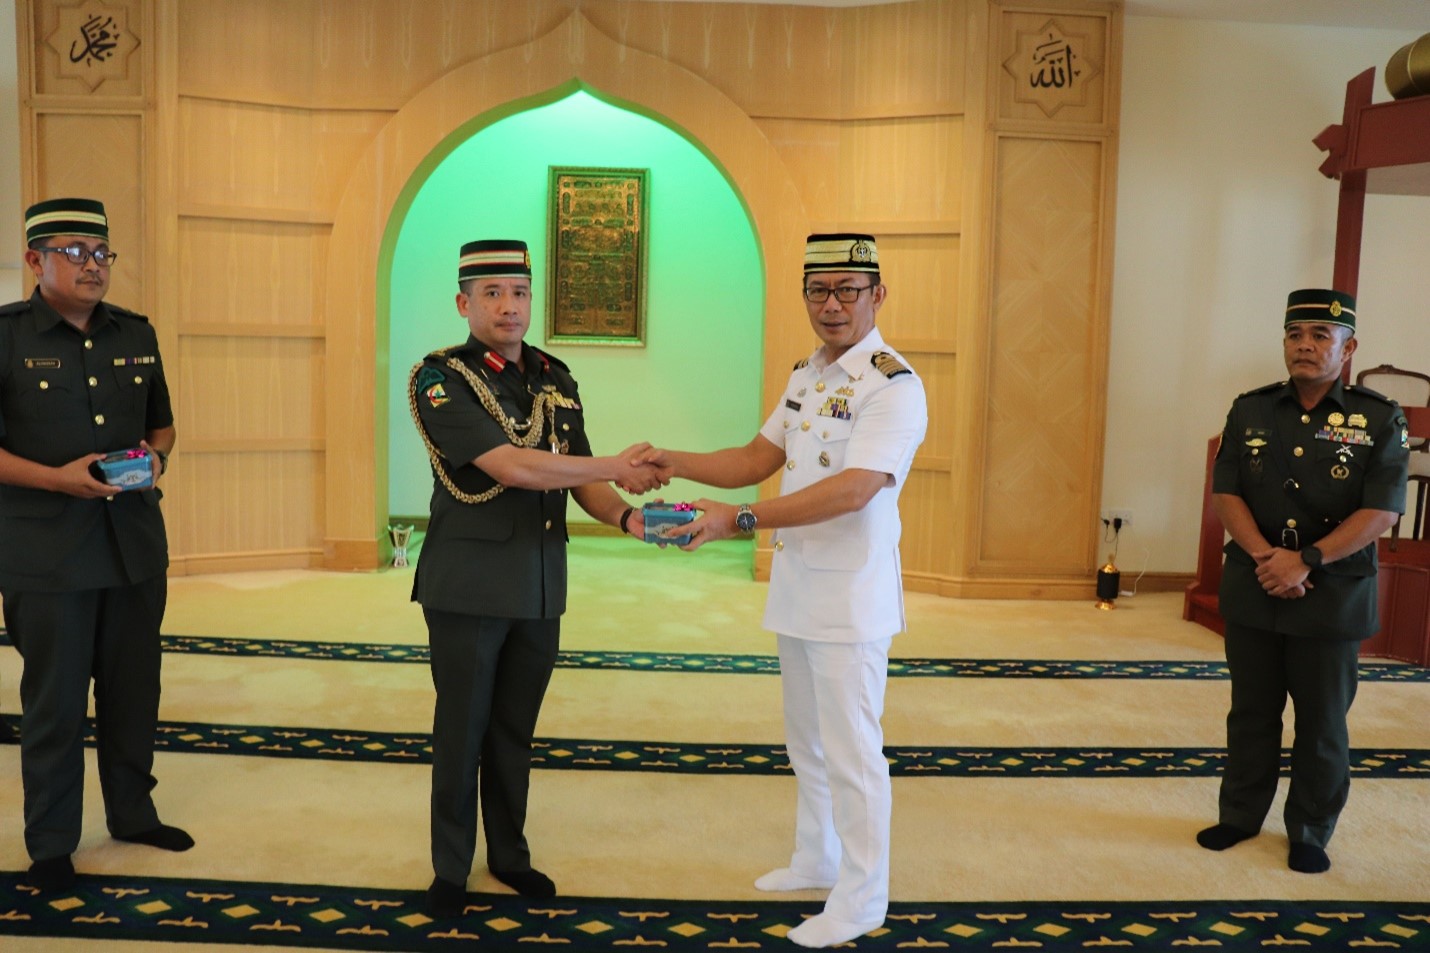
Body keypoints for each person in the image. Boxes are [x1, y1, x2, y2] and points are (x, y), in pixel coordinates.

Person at [639, 233, 927, 948]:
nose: (831, 305)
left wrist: (739, 520)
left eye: (847, 291)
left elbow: (855, 489)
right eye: (817, 290)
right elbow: (755, 457)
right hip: (801, 586)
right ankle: (816, 856)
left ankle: (862, 898)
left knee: (853, 751)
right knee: (807, 741)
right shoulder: (808, 374)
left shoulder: (893, 385)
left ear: (877, 295)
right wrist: (673, 460)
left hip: (851, 598)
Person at [408, 239, 667, 917]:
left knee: (514, 731)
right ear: (464, 303)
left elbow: (579, 474)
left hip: (539, 583)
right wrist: (615, 466)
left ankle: (510, 856)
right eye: (492, 293)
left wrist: (628, 517)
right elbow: (515, 466)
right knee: (462, 730)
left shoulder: (554, 376)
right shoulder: (441, 379)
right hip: (468, 586)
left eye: (519, 293)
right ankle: (450, 869)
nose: (509, 306)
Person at [0, 198, 191, 892]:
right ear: (35, 259)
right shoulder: (7, 337)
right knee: (54, 701)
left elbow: (162, 424)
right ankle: (52, 842)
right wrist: (57, 478)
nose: (92, 265)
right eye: (74, 251)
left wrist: (155, 459)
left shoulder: (134, 332)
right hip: (46, 552)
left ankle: (133, 814)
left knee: (134, 690)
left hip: (132, 545)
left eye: (101, 252)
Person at [1199, 288, 1409, 874]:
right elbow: (1226, 492)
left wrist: (1307, 560)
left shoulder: (1378, 417)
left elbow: (1383, 510)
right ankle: (1240, 815)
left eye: (1320, 335)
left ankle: (1311, 829)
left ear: (1348, 348)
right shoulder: (1250, 409)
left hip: (1332, 594)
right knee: (1251, 713)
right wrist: (1269, 558)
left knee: (1321, 723)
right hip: (1256, 582)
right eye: (1295, 335)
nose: (1305, 345)